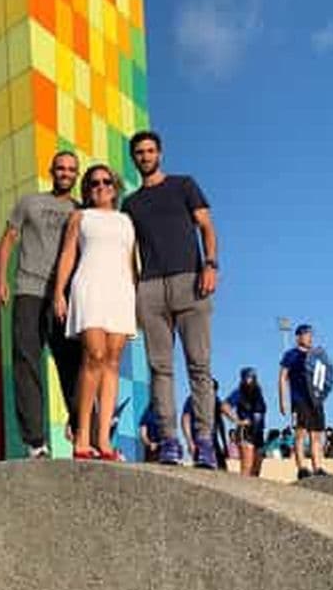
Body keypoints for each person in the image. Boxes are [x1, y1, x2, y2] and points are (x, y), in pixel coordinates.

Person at [123, 131, 219, 469]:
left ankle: (205, 441)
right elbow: (129, 251)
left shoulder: (183, 185)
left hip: (189, 281)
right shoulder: (130, 204)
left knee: (199, 365)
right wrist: (133, 292)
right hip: (150, 288)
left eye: (150, 151)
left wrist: (210, 264)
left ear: (160, 154)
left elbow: (206, 226)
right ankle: (169, 441)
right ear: (134, 158)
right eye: (139, 153)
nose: (145, 156)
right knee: (159, 368)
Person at [0, 151, 82, 458]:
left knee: (72, 364)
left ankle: (82, 430)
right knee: (26, 363)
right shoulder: (29, 202)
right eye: (61, 168)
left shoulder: (80, 210)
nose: (65, 173)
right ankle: (36, 442)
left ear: (76, 175)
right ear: (51, 171)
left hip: (65, 297)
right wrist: (0, 279)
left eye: (71, 169)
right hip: (29, 291)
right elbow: (8, 238)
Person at [53, 164, 137, 460]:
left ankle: (104, 441)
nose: (100, 187)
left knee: (113, 362)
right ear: (87, 190)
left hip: (121, 292)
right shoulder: (80, 217)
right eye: (93, 183)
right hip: (89, 287)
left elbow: (130, 262)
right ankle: (82, 436)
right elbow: (67, 254)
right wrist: (58, 293)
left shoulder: (126, 221)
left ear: (115, 187)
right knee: (93, 357)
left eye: (106, 182)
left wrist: (134, 296)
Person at [279, 323, 327, 479]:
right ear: (298, 336)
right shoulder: (291, 354)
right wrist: (283, 400)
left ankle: (318, 466)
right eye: (306, 334)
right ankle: (302, 467)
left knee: (317, 435)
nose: (309, 337)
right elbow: (282, 377)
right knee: (300, 433)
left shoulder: (316, 355)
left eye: (311, 334)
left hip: (316, 400)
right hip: (299, 399)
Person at [223, 367, 267, 477]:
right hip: (246, 431)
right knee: (247, 467)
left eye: (252, 377)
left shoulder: (258, 393)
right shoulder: (239, 392)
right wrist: (237, 421)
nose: (250, 380)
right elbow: (225, 406)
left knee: (256, 469)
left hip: (259, 432)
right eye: (247, 377)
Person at [181, 380, 228, 468]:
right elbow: (185, 419)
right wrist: (189, 441)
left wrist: (225, 444)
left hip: (213, 440)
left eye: (215, 390)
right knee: (202, 466)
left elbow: (221, 424)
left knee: (222, 467)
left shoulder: (216, 401)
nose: (213, 392)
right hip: (198, 439)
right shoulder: (192, 400)